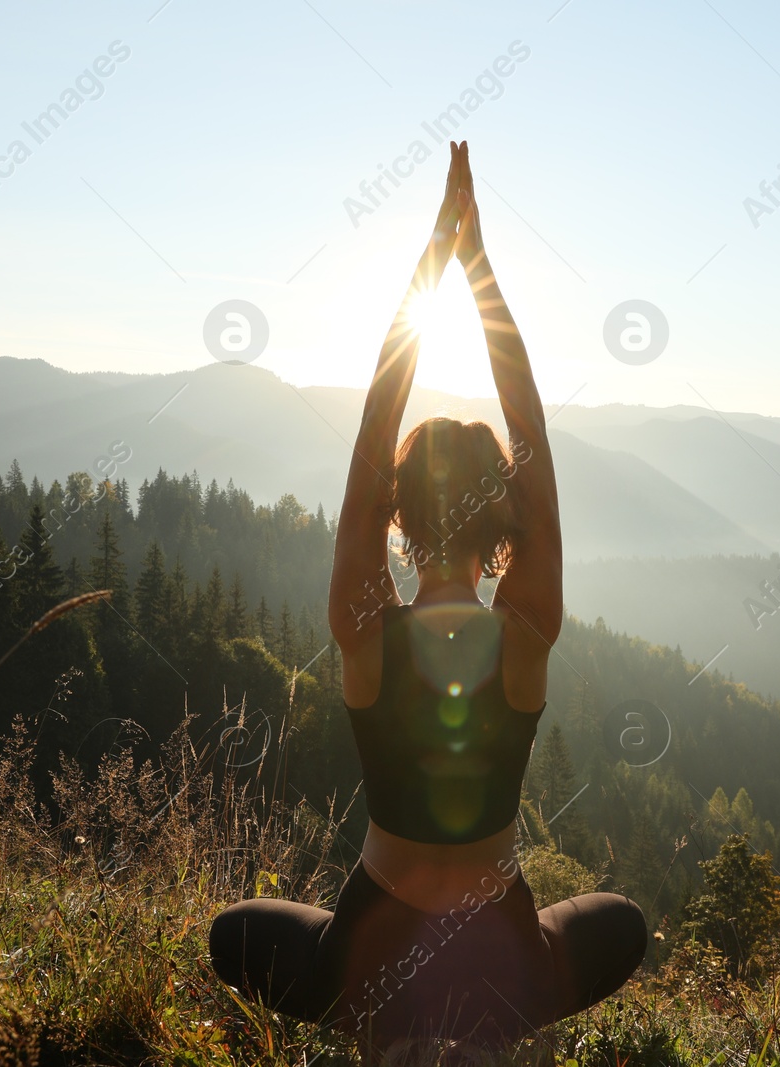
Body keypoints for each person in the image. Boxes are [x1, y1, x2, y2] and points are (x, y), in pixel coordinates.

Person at [209, 142, 647, 1055]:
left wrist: (428, 270)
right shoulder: (526, 630)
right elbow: (535, 439)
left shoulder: (362, 626)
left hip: (374, 949)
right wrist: (478, 267)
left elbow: (373, 436)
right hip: (503, 947)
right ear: (506, 526)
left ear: (397, 517)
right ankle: (492, 1011)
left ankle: (390, 1015)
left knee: (235, 933)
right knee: (618, 923)